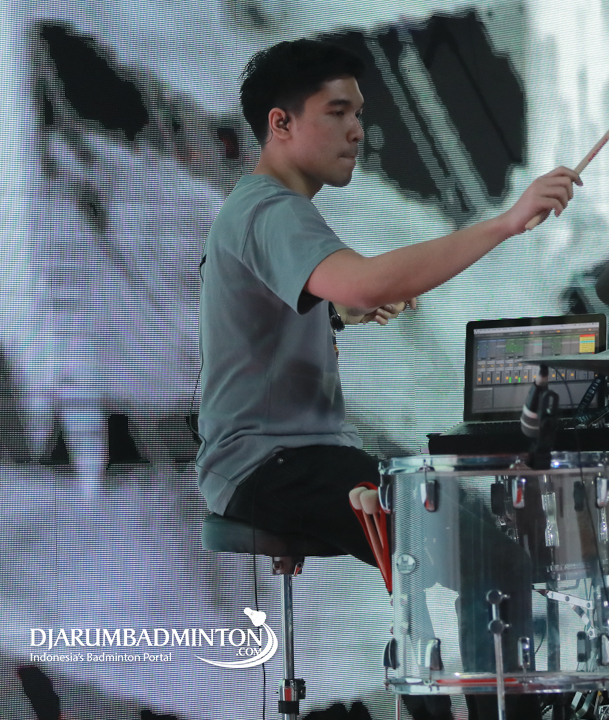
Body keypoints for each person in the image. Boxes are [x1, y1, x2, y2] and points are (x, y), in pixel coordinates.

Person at [195, 38, 579, 719]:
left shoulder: (264, 209)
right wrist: (506, 223)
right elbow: (367, 279)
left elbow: (296, 308)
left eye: (359, 113)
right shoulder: (270, 210)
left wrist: (339, 311)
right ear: (281, 123)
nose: (356, 130)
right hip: (271, 466)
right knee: (488, 559)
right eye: (337, 112)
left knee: (467, 544)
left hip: (288, 460)